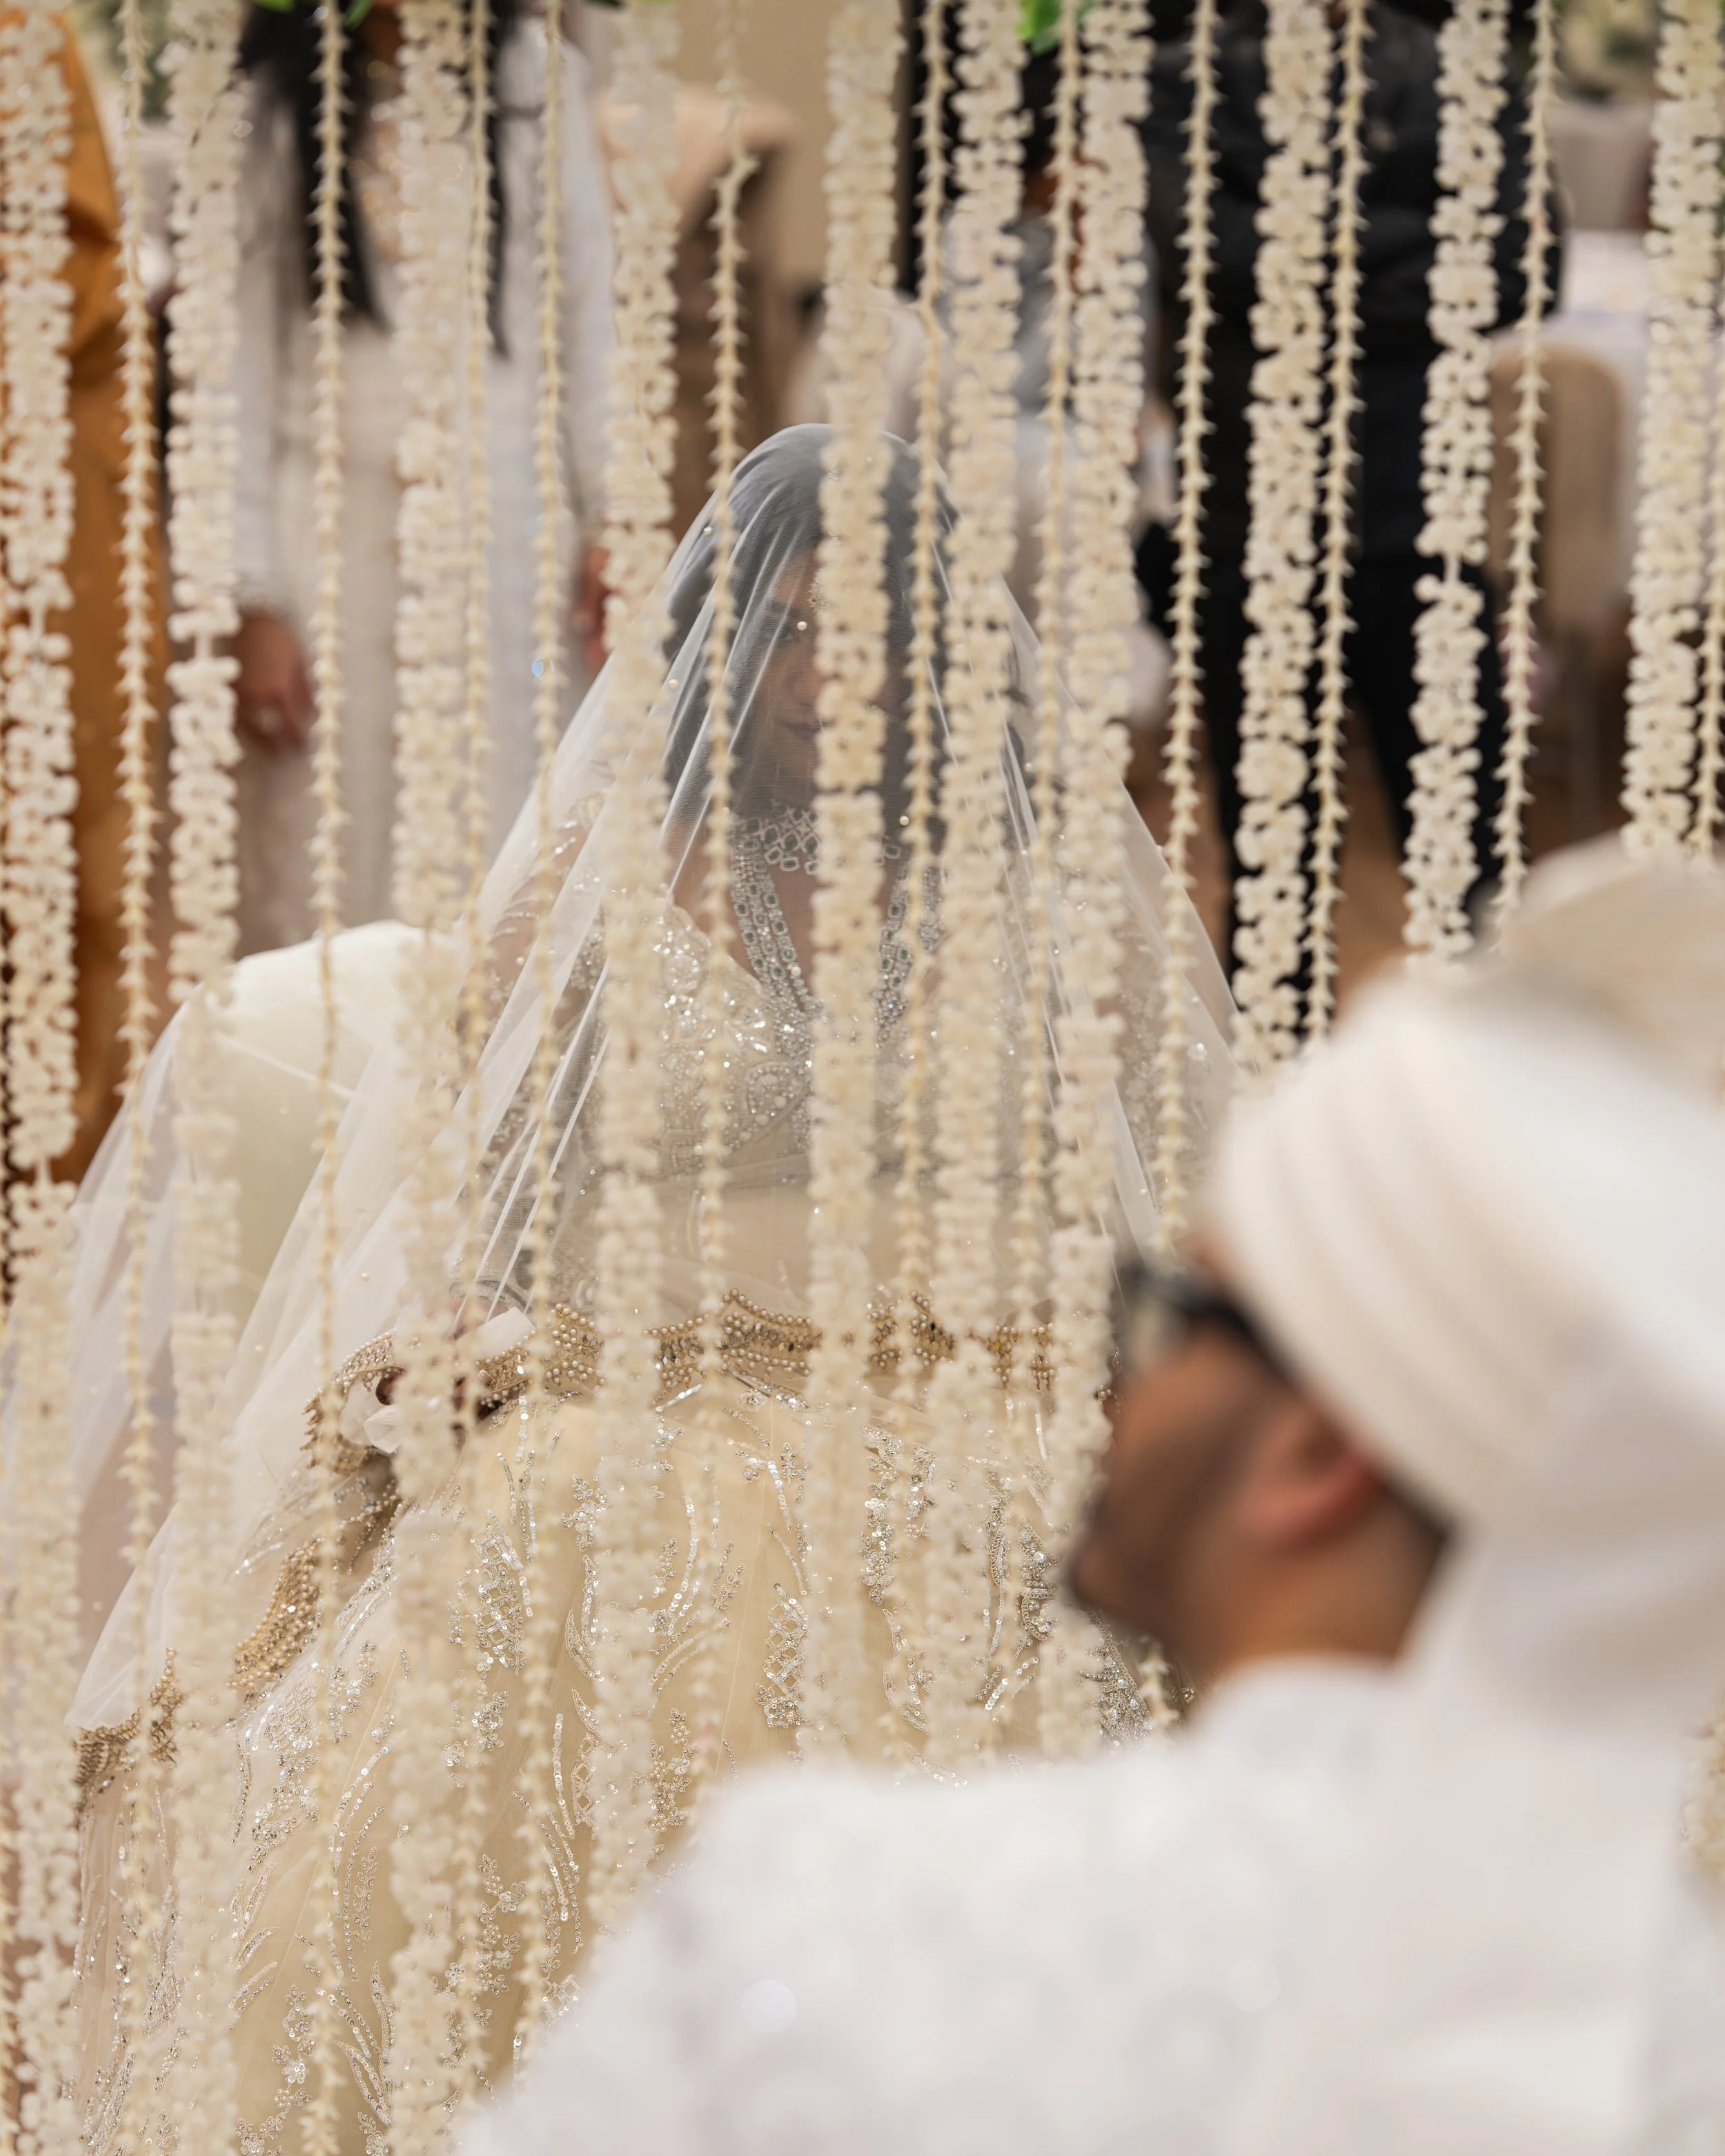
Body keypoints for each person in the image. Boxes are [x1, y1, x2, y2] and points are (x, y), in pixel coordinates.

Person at [70, 426, 1237, 2150]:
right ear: (728, 640)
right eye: (789, 628)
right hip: (656, 1384)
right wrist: (452, 1350)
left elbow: (1136, 1185)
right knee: (554, 1531)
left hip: (976, 1378)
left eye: (871, 636)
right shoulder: (608, 876)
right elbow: (479, 1178)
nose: (824, 673)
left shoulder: (1032, 893)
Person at [454, 840, 1725, 2156]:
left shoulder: (818, 1917)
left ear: (1318, 1457)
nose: (1118, 1375)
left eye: (1177, 1314)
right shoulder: (1676, 2027)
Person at [1136, 0, 1563, 955]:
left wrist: (1301, 253)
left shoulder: (1465, 71)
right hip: (1253, 513)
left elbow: (1522, 268)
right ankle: (1271, 1091)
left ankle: (1486, 1087)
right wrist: (1414, 247)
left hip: (1423, 512)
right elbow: (1214, 252)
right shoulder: (1181, 77)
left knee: (1472, 856)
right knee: (1269, 865)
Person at [229, 0, 613, 954]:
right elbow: (228, 356)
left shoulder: (534, 79)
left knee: (507, 838)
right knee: (334, 850)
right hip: (328, 542)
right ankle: (334, 1097)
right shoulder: (277, 97)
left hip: (507, 538)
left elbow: (594, 316)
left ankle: (491, 1092)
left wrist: (619, 517)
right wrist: (251, 592)